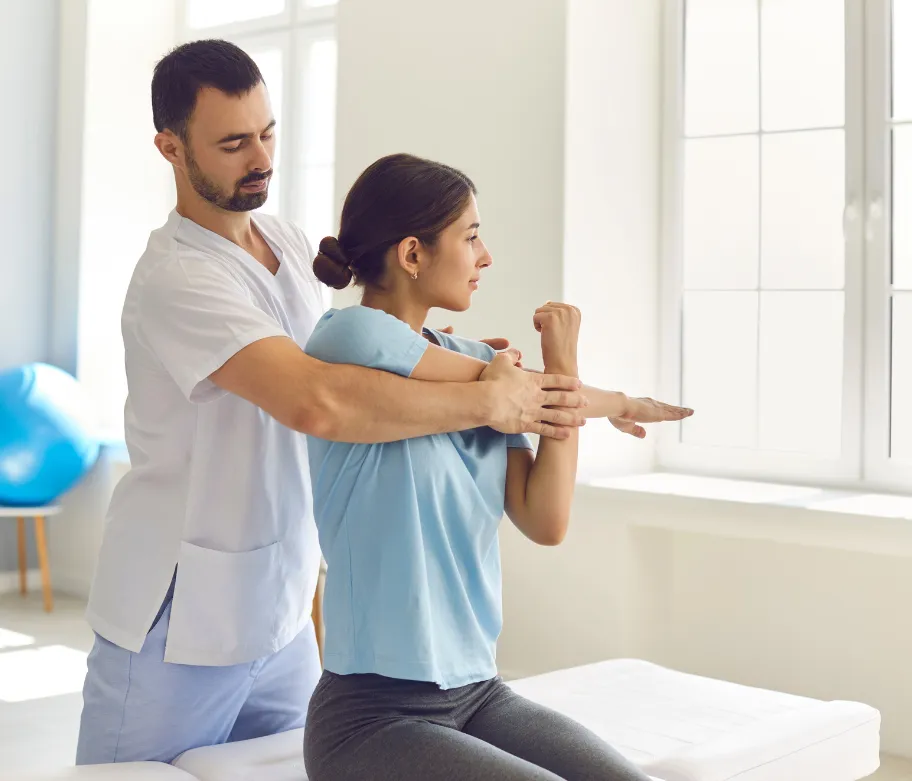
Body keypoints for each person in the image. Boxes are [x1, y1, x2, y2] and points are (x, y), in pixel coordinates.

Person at [75, 40, 592, 766]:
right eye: (233, 143)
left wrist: (483, 371)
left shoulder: (288, 246)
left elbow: (370, 363)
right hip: (173, 621)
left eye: (268, 133)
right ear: (170, 147)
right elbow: (318, 401)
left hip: (282, 614)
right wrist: (487, 400)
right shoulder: (178, 276)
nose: (261, 157)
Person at [302, 154, 693, 780]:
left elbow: (545, 521)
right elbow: (526, 392)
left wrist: (562, 369)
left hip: (479, 695)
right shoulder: (345, 339)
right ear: (412, 254)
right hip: (371, 716)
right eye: (471, 237)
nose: (485, 257)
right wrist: (605, 399)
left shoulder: (486, 373)